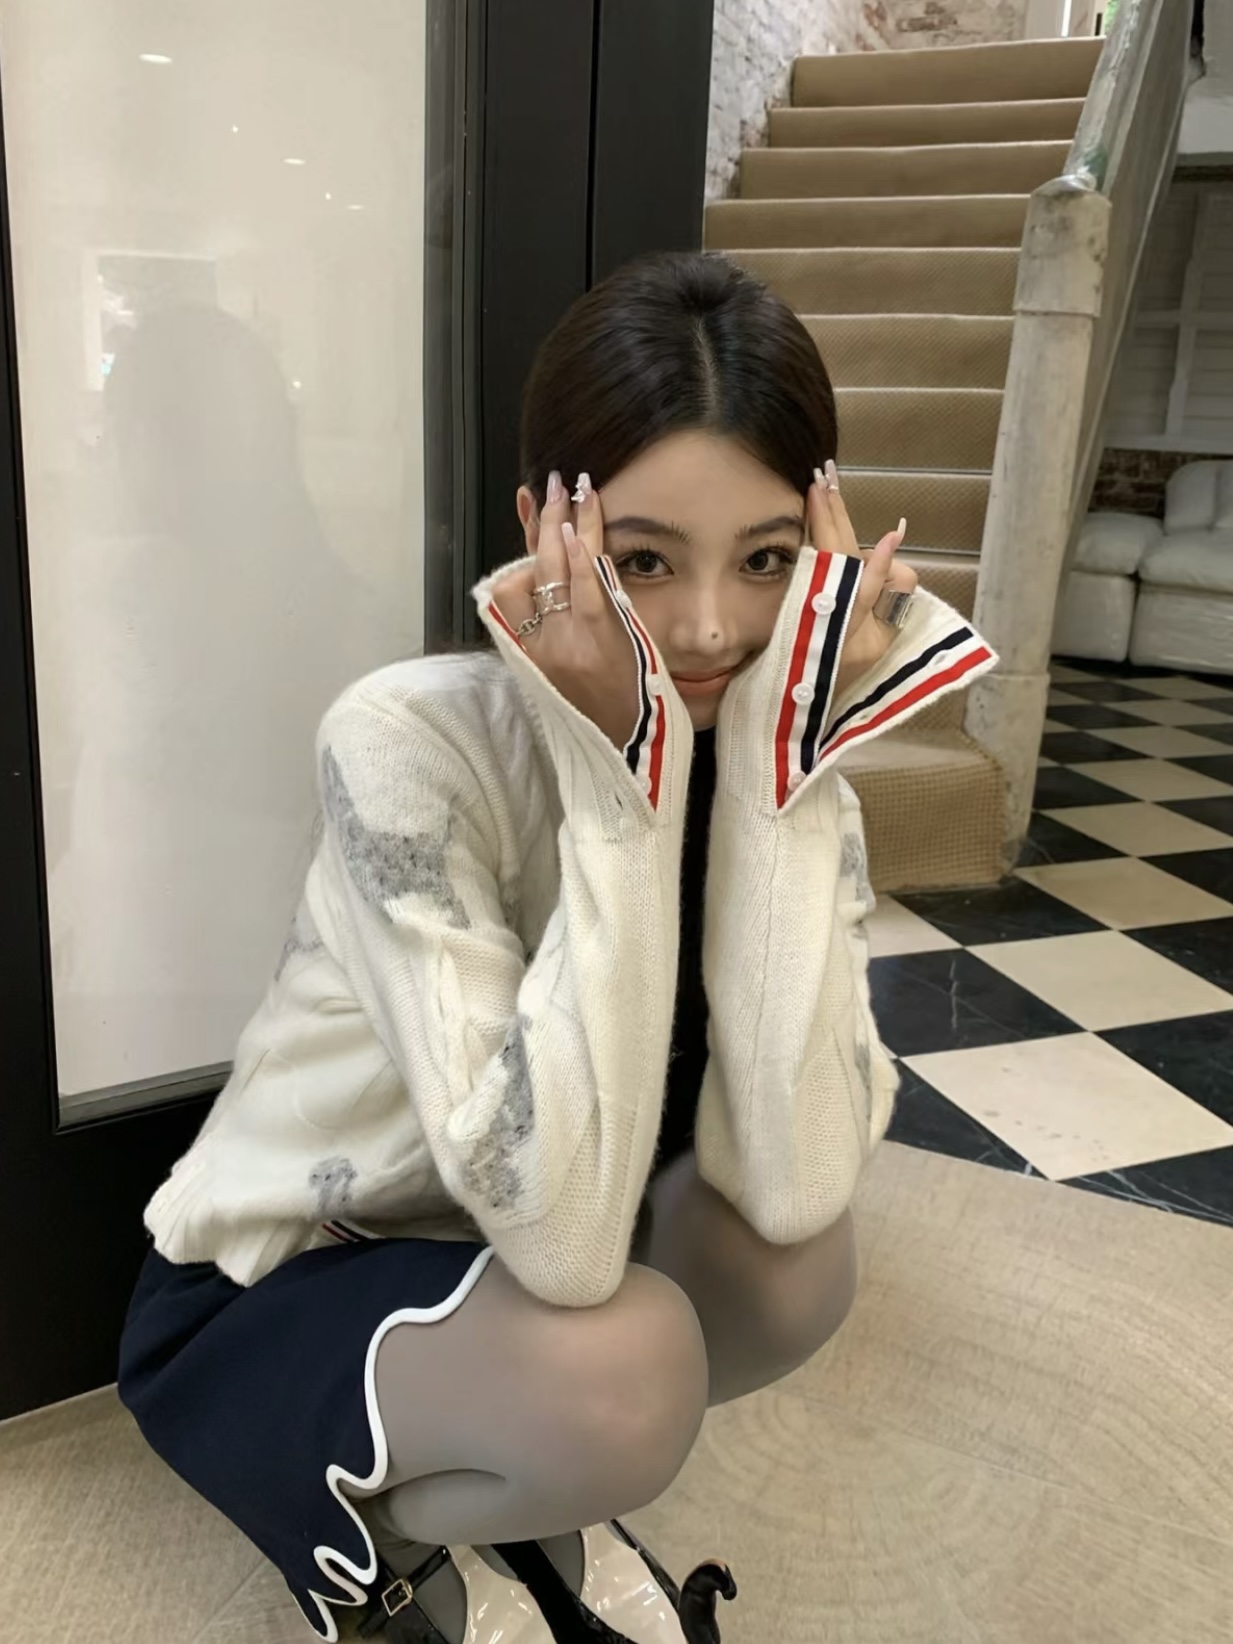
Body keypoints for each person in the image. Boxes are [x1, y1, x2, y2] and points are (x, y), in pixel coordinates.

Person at [117, 252, 996, 1644]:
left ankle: (503, 1447)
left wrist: (782, 786)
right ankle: (390, 1523)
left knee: (795, 1262)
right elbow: (576, 1256)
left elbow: (791, 1186)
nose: (707, 628)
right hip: (296, 1274)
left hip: (526, 1241)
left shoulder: (774, 749)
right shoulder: (407, 739)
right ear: (544, 529)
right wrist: (618, 788)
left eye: (767, 561)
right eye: (642, 559)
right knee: (620, 1371)